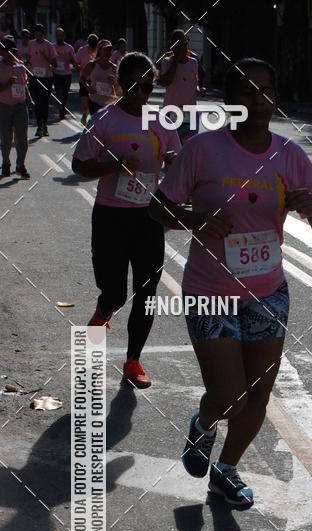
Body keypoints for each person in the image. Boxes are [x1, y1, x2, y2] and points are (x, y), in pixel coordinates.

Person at [150, 58, 312, 509]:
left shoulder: (289, 155)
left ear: (275, 98)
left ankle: (226, 471)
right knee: (230, 397)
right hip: (210, 292)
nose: (258, 100)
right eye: (247, 91)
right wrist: (194, 219)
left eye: (266, 91)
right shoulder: (202, 150)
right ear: (229, 100)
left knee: (258, 396)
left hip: (267, 293)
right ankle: (203, 424)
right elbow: (158, 207)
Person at [72, 52, 180, 388]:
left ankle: (133, 360)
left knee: (147, 292)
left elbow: (175, 160)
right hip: (111, 216)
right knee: (115, 293)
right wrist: (114, 165)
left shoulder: (162, 121)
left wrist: (174, 164)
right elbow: (79, 165)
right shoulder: (104, 121)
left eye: (146, 87)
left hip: (148, 217)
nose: (140, 94)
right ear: (120, 84)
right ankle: (103, 312)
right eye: (133, 86)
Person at [159, 30, 201, 141]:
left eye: (184, 43)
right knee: (172, 146)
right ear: (172, 46)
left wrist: (199, 90)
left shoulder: (193, 62)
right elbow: (167, 81)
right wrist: (176, 59)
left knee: (188, 147)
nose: (182, 46)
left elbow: (195, 83)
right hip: (171, 113)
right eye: (178, 44)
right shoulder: (167, 62)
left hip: (190, 113)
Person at [0, 35, 31, 178]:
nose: (12, 54)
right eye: (8, 51)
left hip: (20, 105)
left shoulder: (20, 66)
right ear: (2, 51)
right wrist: (8, 84)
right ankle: (6, 163)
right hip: (4, 106)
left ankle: (20, 165)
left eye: (13, 51)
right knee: (6, 138)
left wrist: (29, 99)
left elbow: (25, 84)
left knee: (22, 136)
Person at [29, 23, 57, 137]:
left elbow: (55, 64)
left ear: (43, 34)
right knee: (37, 102)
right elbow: (29, 58)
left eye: (40, 35)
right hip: (35, 77)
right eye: (36, 35)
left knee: (44, 103)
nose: (38, 37)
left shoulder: (49, 46)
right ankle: (39, 126)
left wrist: (45, 57)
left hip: (46, 78)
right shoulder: (31, 44)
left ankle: (45, 126)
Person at [82, 39, 119, 116]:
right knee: (97, 123)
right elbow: (82, 78)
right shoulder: (92, 65)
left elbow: (119, 89)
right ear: (99, 51)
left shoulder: (114, 68)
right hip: (94, 102)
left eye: (109, 49)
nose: (108, 52)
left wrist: (115, 83)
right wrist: (88, 87)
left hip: (109, 104)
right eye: (105, 49)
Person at [74, 33, 97, 125]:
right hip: (84, 79)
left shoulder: (99, 51)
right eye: (91, 43)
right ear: (88, 42)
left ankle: (93, 122)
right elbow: (76, 63)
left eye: (94, 43)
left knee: (94, 102)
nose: (92, 46)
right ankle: (85, 115)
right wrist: (79, 67)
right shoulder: (82, 50)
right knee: (85, 103)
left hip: (95, 80)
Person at [53, 27, 75, 119]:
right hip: (56, 73)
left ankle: (63, 106)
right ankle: (60, 109)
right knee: (58, 92)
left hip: (67, 74)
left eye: (61, 35)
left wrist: (70, 60)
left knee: (65, 94)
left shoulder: (69, 48)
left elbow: (74, 60)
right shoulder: (52, 47)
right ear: (56, 36)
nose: (59, 37)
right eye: (58, 35)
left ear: (64, 36)